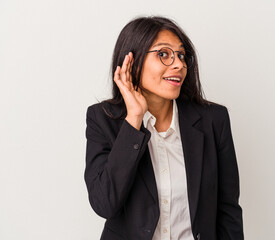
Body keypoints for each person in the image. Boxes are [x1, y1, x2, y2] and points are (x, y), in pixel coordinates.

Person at [85, 16, 244, 240]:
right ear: (134, 61)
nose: (179, 64)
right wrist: (134, 120)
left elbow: (228, 210)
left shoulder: (213, 120)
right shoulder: (103, 120)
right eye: (163, 54)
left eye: (180, 55)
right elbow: (104, 203)